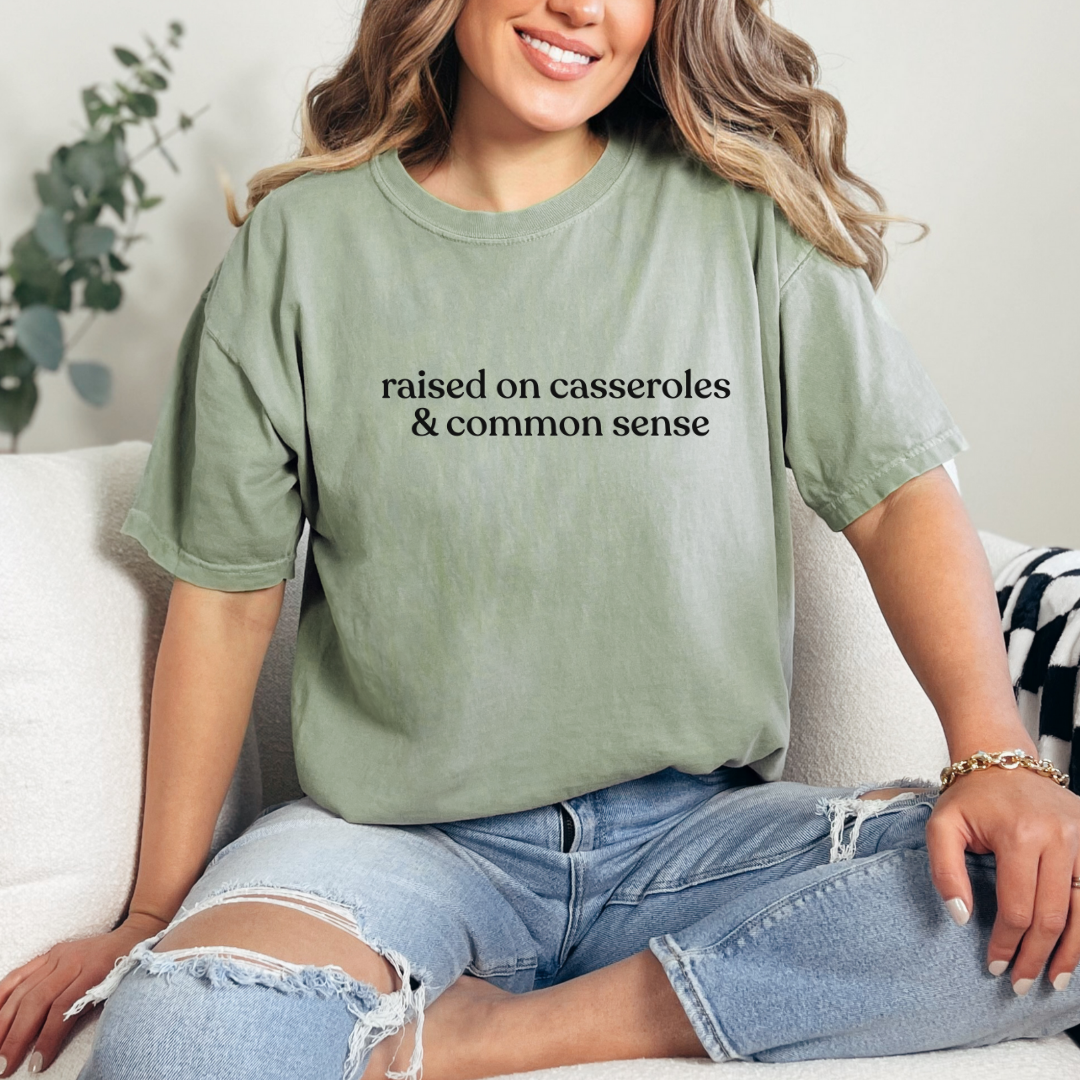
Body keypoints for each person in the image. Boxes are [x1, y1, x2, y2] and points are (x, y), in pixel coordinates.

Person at [2, 1, 1079, 1077]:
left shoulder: (747, 223)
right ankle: (685, 998)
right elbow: (227, 598)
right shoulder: (301, 248)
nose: (580, 9)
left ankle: (502, 1034)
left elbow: (896, 498)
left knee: (1058, 892)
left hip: (698, 845)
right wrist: (150, 910)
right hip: (392, 845)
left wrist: (997, 757)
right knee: (182, 1036)